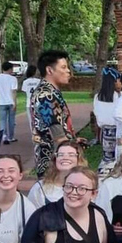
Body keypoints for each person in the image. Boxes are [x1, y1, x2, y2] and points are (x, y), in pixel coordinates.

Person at [31, 50, 80, 178]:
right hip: (55, 163)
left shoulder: (51, 92)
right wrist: (72, 155)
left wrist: (74, 140)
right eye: (63, 67)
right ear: (50, 70)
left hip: (58, 159)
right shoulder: (45, 95)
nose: (68, 71)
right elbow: (58, 135)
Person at [28, 140, 87, 207]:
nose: (65, 158)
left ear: (79, 159)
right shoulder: (39, 188)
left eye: (71, 155)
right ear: (55, 159)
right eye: (61, 155)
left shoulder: (88, 187)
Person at [94, 66, 122, 177]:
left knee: (108, 158)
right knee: (119, 159)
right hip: (118, 131)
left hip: (105, 132)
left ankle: (104, 176)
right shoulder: (120, 97)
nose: (121, 83)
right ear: (114, 82)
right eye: (119, 80)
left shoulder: (98, 97)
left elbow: (98, 117)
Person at [0, 61, 18, 145]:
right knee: (11, 120)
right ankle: (11, 137)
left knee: (3, 120)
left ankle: (4, 136)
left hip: (1, 102)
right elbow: (13, 92)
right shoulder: (13, 79)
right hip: (10, 102)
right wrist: (15, 103)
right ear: (10, 69)